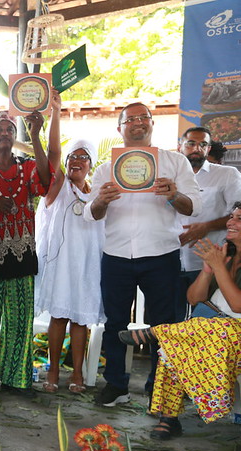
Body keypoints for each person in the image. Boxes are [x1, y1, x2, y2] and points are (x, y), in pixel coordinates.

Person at [84, 102, 202, 407]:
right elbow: (91, 214)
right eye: (130, 119)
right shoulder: (105, 169)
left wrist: (174, 194)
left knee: (163, 324)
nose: (138, 123)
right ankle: (116, 385)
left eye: (143, 118)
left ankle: (158, 387)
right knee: (115, 323)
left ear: (152, 124)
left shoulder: (175, 162)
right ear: (119, 128)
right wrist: (102, 200)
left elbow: (194, 207)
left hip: (161, 254)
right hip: (117, 255)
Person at [118, 203, 241, 439]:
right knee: (173, 346)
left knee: (217, 328)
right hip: (210, 330)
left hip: (232, 333)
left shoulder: (222, 260)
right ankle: (169, 418)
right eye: (231, 217)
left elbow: (237, 305)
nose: (230, 222)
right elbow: (194, 299)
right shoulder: (225, 255)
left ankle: (157, 332)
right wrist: (207, 270)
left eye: (238, 219)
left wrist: (218, 267)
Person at [0, 107, 56, 399]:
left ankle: (17, 379)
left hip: (22, 252)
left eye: (10, 130)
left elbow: (45, 183)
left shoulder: (27, 165)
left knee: (20, 321)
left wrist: (36, 135)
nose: (4, 134)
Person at [35, 135, 105, 394]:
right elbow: (52, 151)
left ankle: (77, 372)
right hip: (62, 264)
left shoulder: (97, 193)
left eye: (82, 156)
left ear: (91, 164)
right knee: (59, 316)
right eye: (72, 156)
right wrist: (54, 112)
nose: (76, 161)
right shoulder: (59, 186)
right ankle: (53, 370)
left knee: (80, 320)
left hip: (87, 264)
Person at [175, 127, 241, 322]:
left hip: (208, 261)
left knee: (204, 318)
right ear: (181, 146)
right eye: (191, 143)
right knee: (167, 318)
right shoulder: (169, 177)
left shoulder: (227, 175)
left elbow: (236, 214)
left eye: (203, 144)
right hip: (169, 260)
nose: (197, 148)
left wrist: (206, 226)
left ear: (209, 148)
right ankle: (160, 352)